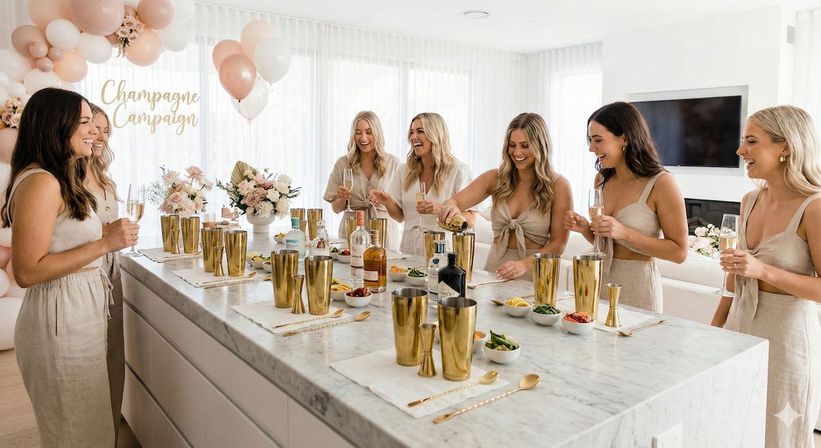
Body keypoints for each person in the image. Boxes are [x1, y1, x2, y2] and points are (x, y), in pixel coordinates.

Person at [1, 88, 138, 446]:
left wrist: (103, 233)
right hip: (60, 316)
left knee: (89, 426)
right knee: (76, 433)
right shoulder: (42, 181)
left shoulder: (60, 177)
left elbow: (62, 238)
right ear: (56, 126)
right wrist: (104, 242)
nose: (93, 130)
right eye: (83, 122)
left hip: (78, 308)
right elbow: (27, 271)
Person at [711, 105, 820, 447]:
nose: (741, 151)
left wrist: (762, 270)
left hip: (786, 343)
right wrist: (714, 330)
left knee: (778, 437)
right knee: (732, 428)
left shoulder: (814, 208)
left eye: (751, 142)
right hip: (738, 332)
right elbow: (733, 281)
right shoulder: (750, 199)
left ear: (785, 147)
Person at [565, 102, 687, 312]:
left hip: (637, 288)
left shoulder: (661, 183)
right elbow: (605, 243)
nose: (591, 148)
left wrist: (624, 233)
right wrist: (585, 228)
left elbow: (679, 252)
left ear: (625, 139)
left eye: (598, 140)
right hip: (598, 280)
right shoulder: (601, 179)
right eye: (590, 140)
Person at [439, 112, 572, 281]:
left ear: (541, 146)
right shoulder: (495, 178)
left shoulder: (559, 185)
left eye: (525, 145)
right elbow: (455, 201)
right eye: (512, 145)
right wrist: (450, 206)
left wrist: (524, 264)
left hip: (535, 272)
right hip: (495, 269)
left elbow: (558, 243)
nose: (517, 152)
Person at [370, 112, 475, 255]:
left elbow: (471, 220)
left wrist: (441, 210)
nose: (413, 137)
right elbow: (400, 217)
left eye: (420, 131)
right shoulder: (404, 170)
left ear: (436, 135)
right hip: (409, 250)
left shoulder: (459, 171)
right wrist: (388, 202)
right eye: (411, 132)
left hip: (442, 251)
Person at [87, 103, 125, 440]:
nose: (100, 135)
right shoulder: (64, 176)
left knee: (114, 352)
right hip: (86, 271)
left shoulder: (105, 176)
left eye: (104, 129)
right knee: (89, 356)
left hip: (112, 270)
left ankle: (110, 430)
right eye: (93, 127)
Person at [323, 111, 399, 247]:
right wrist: (341, 197)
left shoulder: (393, 163)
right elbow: (335, 208)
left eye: (369, 132)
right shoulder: (343, 163)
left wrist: (387, 201)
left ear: (378, 133)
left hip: (383, 232)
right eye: (358, 132)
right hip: (351, 230)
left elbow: (401, 211)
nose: (363, 138)